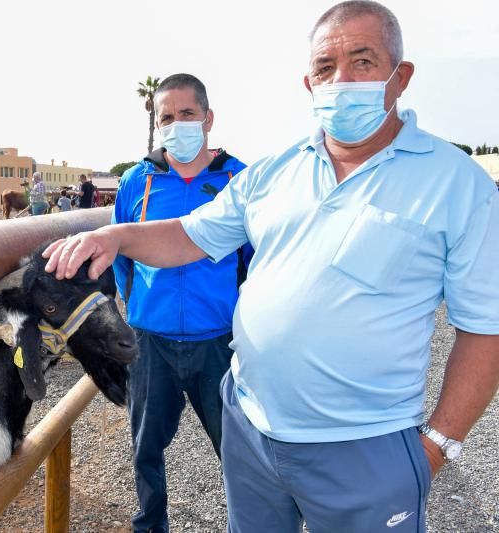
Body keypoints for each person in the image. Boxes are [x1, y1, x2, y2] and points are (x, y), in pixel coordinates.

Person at [42, 2, 499, 532]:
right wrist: (115, 235)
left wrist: (437, 445)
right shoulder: (274, 172)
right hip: (251, 429)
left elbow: (485, 326)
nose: (341, 80)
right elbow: (189, 236)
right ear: (309, 84)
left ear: (401, 77)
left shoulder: (457, 183)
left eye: (363, 61)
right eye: (326, 69)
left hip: (365, 448)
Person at [112, 73, 250, 533]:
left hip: (220, 342)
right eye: (166, 117)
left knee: (237, 448)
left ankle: (246, 523)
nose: (176, 124)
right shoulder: (137, 181)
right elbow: (123, 256)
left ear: (208, 118)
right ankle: (151, 525)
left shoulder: (239, 179)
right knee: (145, 447)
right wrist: (139, 312)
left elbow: (255, 260)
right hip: (152, 342)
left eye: (186, 114)